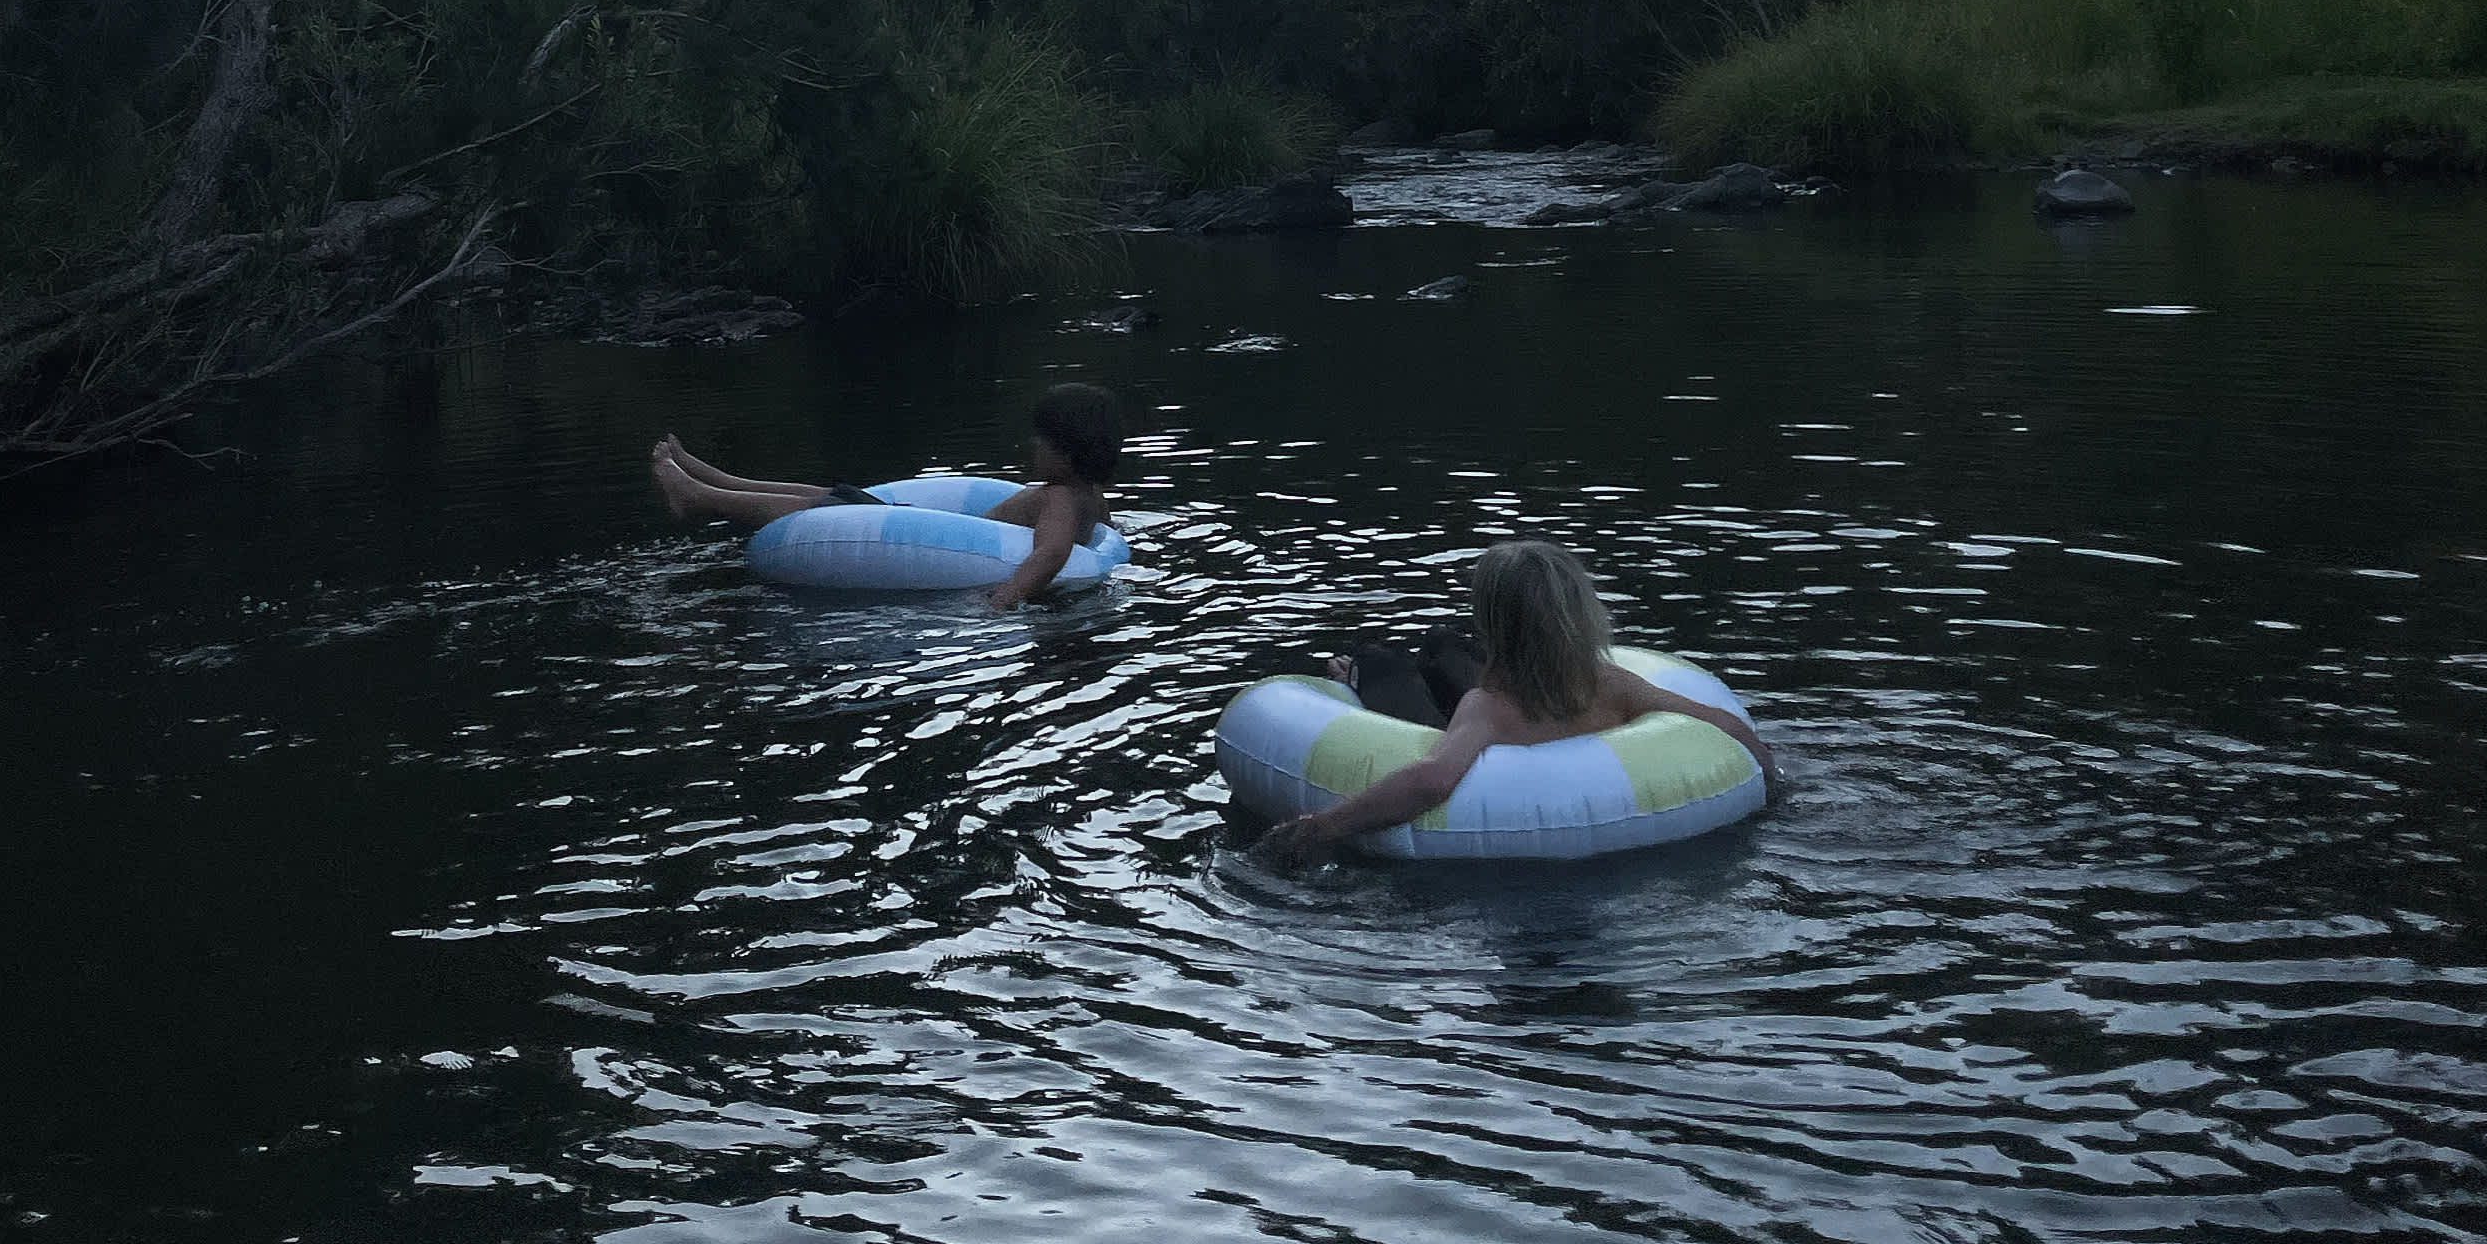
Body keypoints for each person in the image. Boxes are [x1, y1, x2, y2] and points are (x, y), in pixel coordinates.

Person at [1251, 536, 1777, 868]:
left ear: (1494, 622)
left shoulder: (1489, 705)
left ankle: (1358, 675)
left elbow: (1433, 778)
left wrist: (1324, 827)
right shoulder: (1611, 681)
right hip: (1555, 730)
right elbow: (1720, 723)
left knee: (1381, 663)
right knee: (1441, 644)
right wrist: (1764, 773)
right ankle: (1410, 663)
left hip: (1467, 738)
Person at [651, 380, 1127, 605]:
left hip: (931, 540)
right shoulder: (1089, 493)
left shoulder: (1059, 498)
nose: (1030, 445)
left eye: (1039, 439)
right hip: (929, 528)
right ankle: (718, 478)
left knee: (814, 504)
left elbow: (1049, 555)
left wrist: (1002, 602)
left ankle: (702, 496)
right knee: (828, 494)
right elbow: (1103, 537)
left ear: (1065, 452)